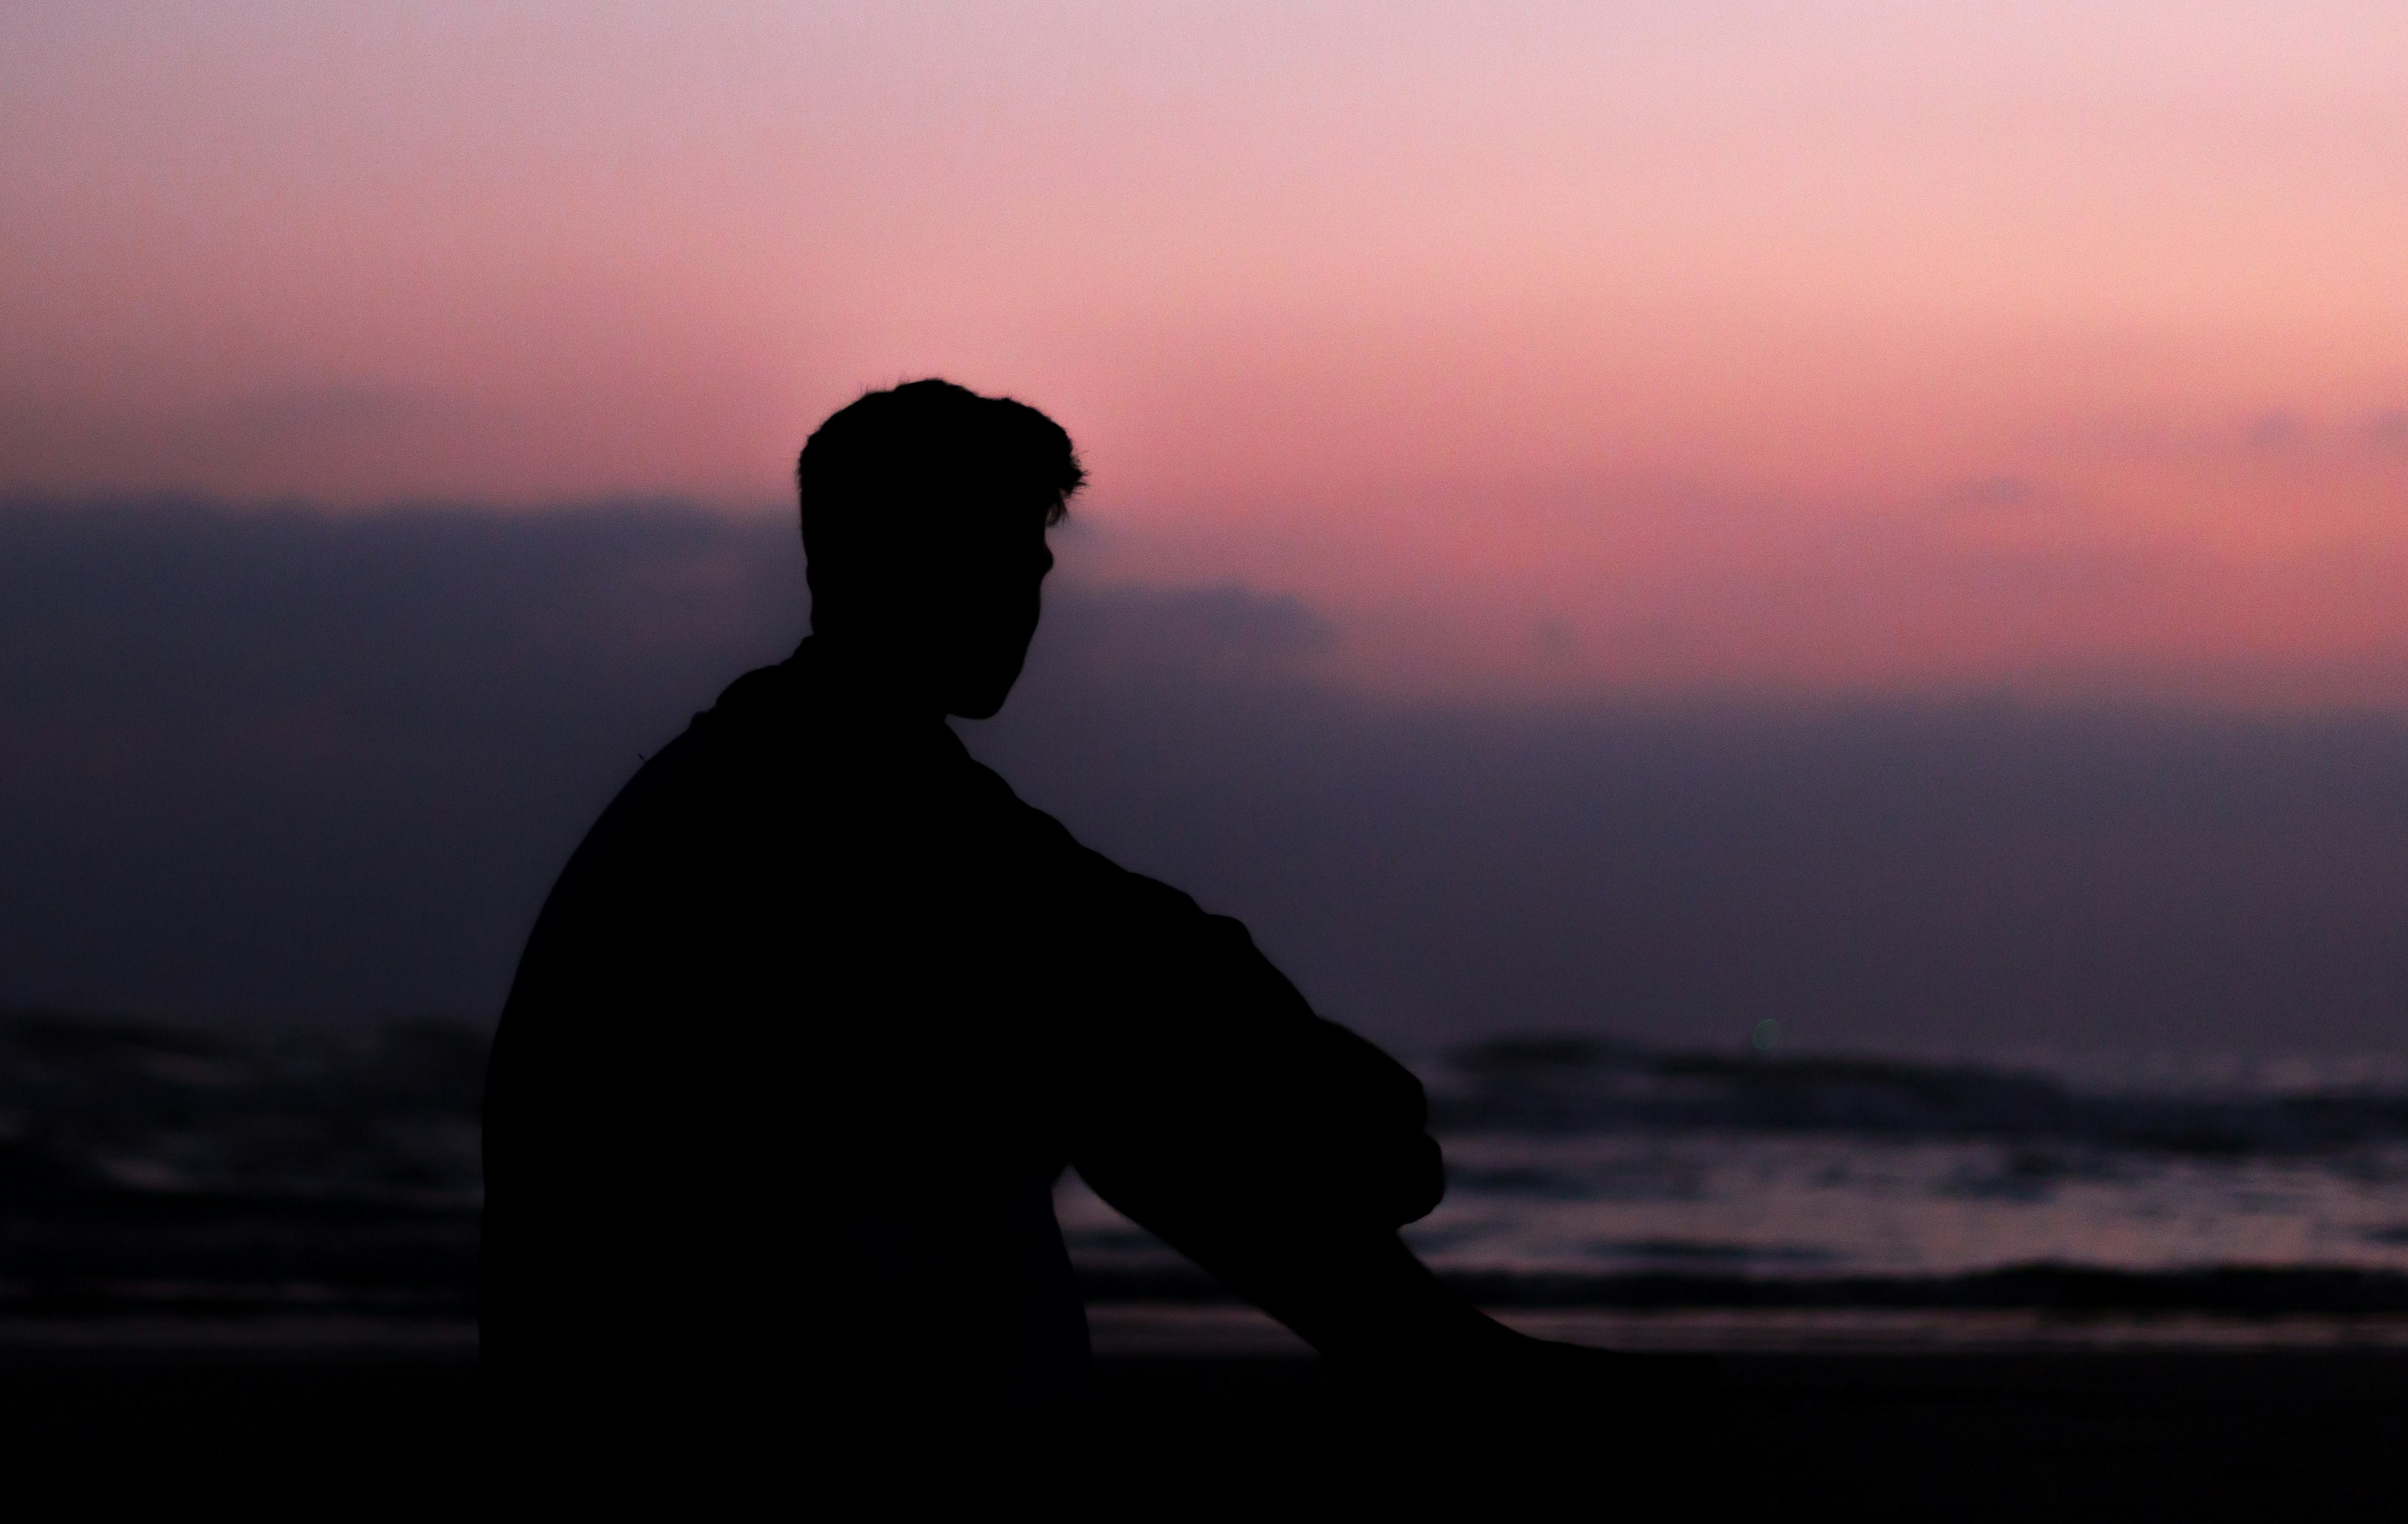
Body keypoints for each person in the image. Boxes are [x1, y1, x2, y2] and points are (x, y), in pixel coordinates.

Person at [482, 379, 1704, 1475]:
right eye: (990, 560)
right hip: (721, 1415)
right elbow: (1146, 961)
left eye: (1030, 569)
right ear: (865, 563)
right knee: (1089, 1036)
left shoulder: (809, 767)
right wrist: (1348, 1104)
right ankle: (1426, 1364)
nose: (1020, 605)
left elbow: (1129, 941)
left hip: (673, 1386)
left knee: (1081, 1036)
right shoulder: (824, 789)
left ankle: (1423, 1361)